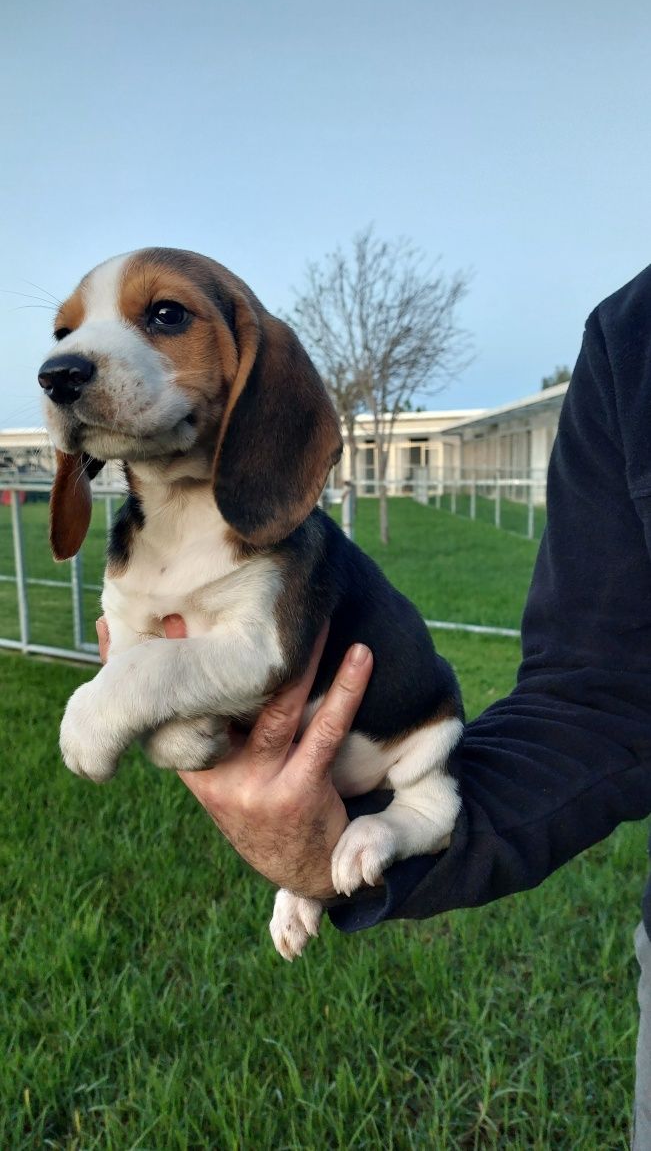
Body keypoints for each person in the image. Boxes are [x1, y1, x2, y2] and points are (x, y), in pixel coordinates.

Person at [97, 263, 651, 1147]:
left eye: (164, 317)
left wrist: (125, 693)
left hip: (408, 739)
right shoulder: (632, 337)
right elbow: (601, 695)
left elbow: (250, 656)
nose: (76, 360)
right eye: (62, 338)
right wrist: (311, 858)